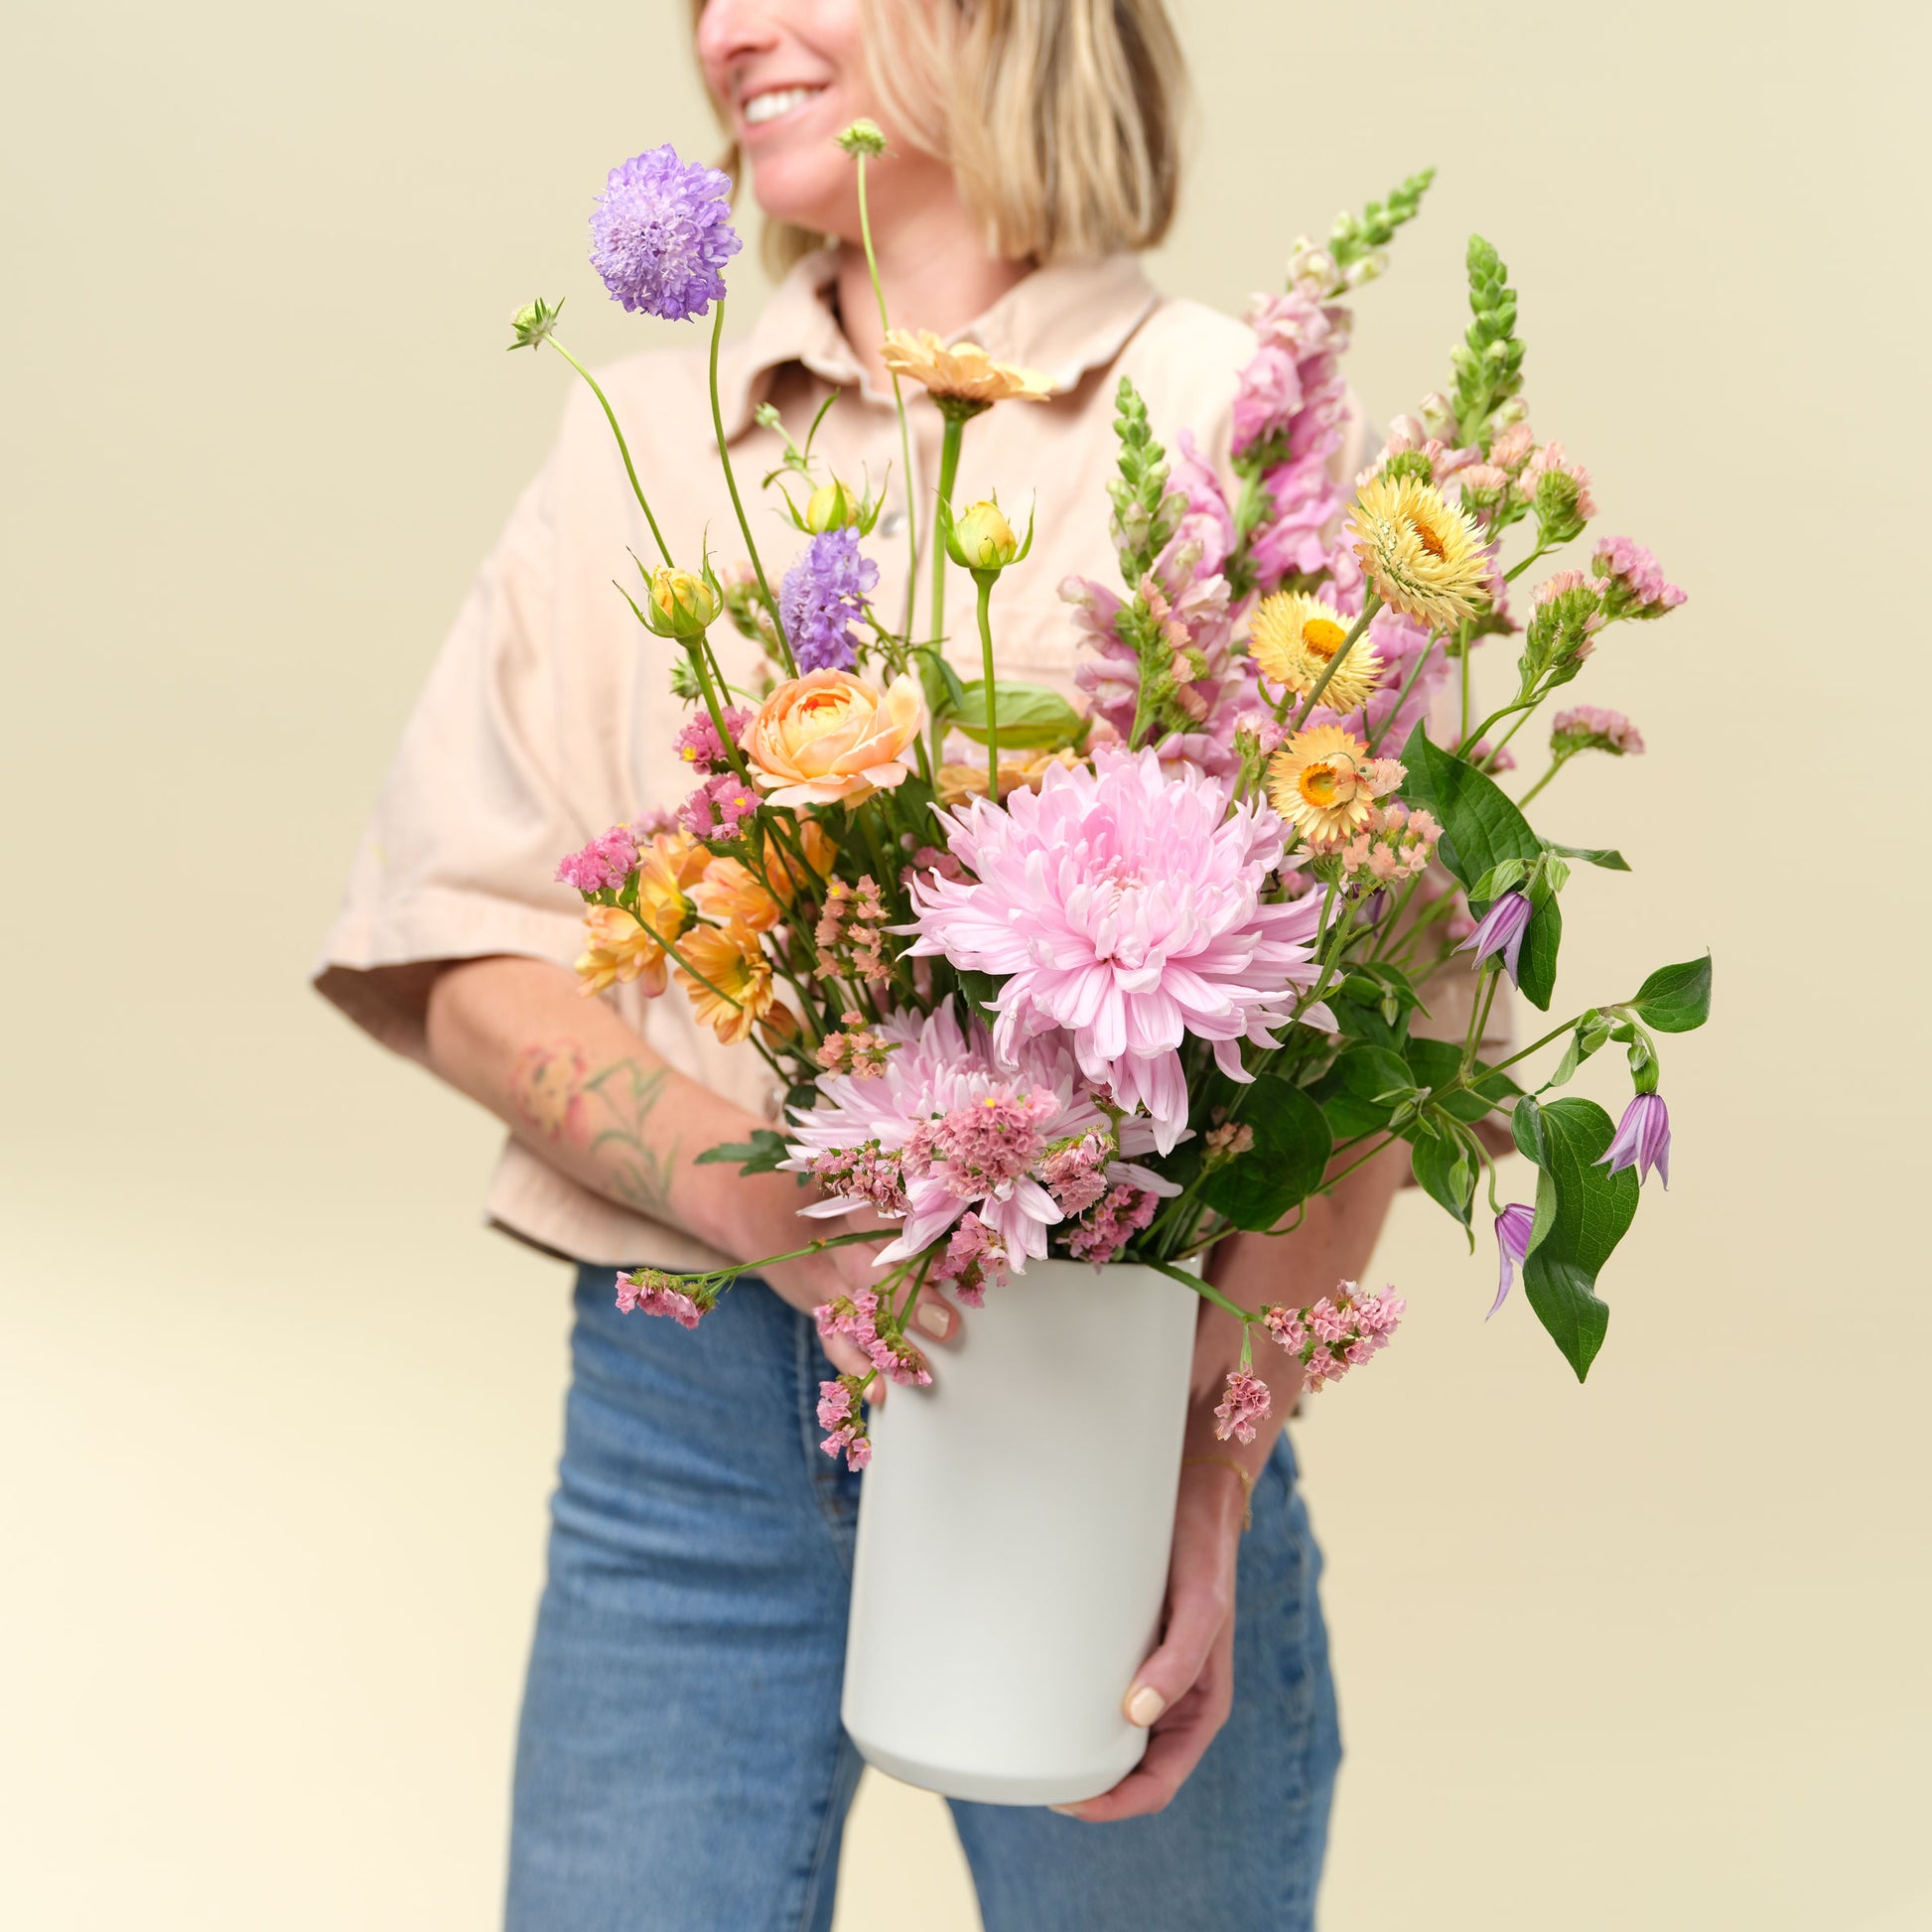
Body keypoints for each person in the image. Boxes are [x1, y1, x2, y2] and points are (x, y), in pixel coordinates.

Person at [315, 2, 1412, 1924]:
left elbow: (1383, 1057)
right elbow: (460, 936)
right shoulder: (644, 444)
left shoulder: (1241, 425)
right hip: (691, 1431)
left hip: (1106, 1418)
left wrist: (1203, 1467)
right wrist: (773, 1207)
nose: (726, 26)